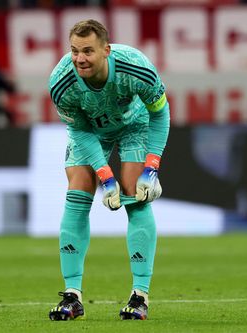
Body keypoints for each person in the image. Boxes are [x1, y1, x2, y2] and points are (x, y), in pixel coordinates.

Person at [47, 19, 170, 321]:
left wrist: (151, 168)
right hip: (91, 132)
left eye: (88, 51)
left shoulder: (136, 67)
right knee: (78, 188)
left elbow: (160, 113)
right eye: (75, 51)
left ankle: (139, 295)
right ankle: (72, 296)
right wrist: (104, 175)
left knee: (134, 192)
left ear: (106, 50)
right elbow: (79, 132)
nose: (80, 59)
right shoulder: (62, 83)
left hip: (135, 125)